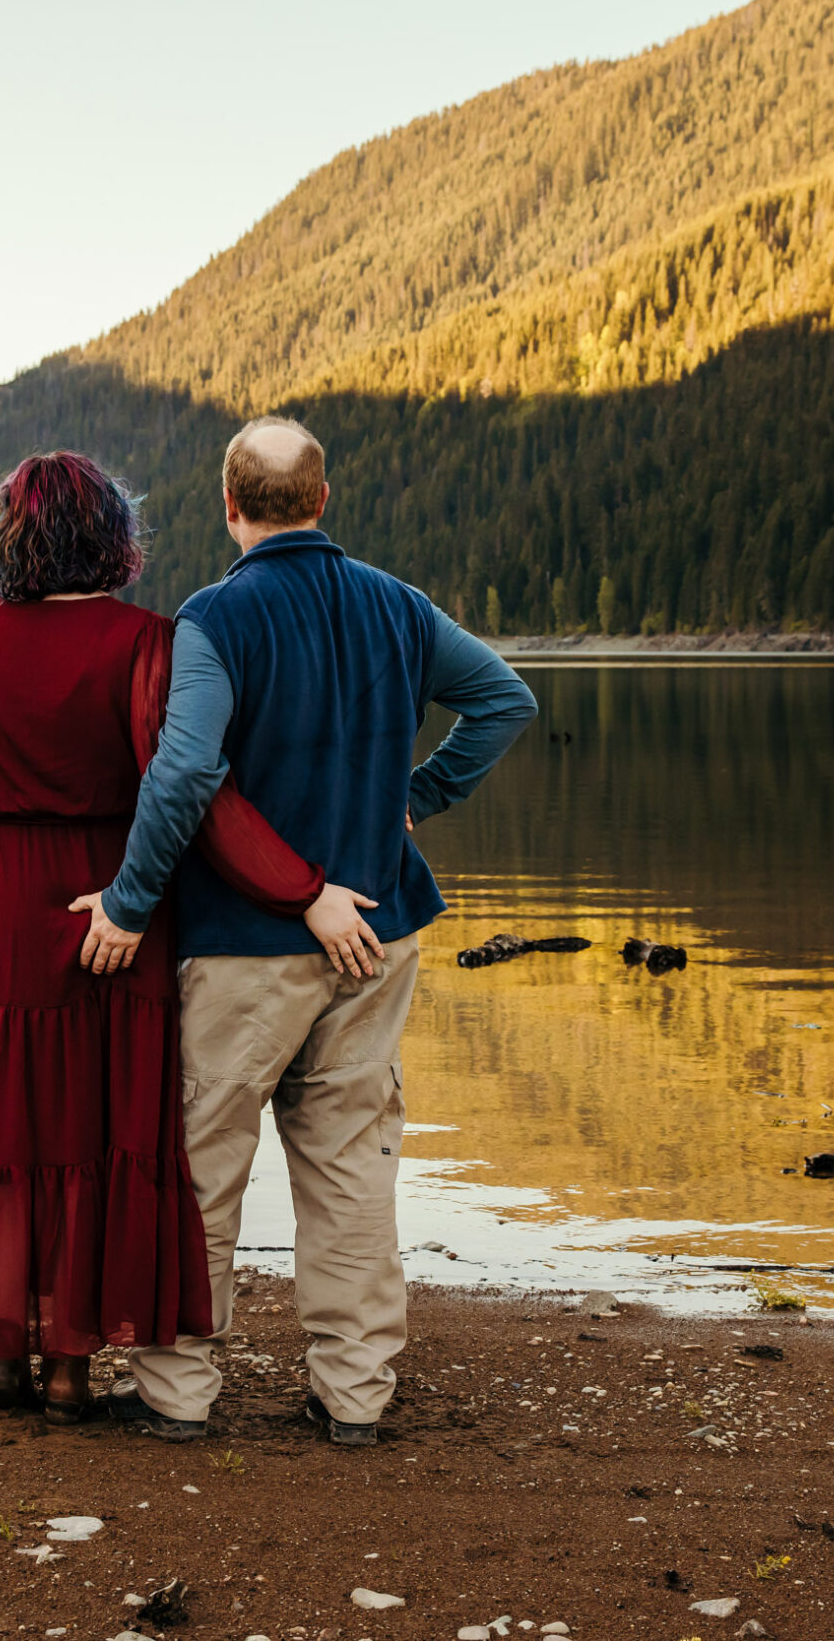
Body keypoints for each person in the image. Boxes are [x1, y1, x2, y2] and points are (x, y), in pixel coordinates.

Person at [72, 416, 537, 1447]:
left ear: (228, 506)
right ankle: (356, 1395)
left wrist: (130, 900)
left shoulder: (215, 618)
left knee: (203, 1166)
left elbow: (189, 772)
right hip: (378, 933)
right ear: (322, 501)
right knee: (352, 1165)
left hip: (245, 946)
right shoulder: (397, 605)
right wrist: (416, 798)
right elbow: (503, 702)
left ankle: (180, 1395)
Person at [0, 450, 387, 1425]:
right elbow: (195, 794)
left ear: (9, 540)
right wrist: (302, 889)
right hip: (114, 898)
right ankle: (75, 1368)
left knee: (2, 1128)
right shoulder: (147, 642)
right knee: (95, 1125)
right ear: (112, 536)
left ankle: (2, 1353)